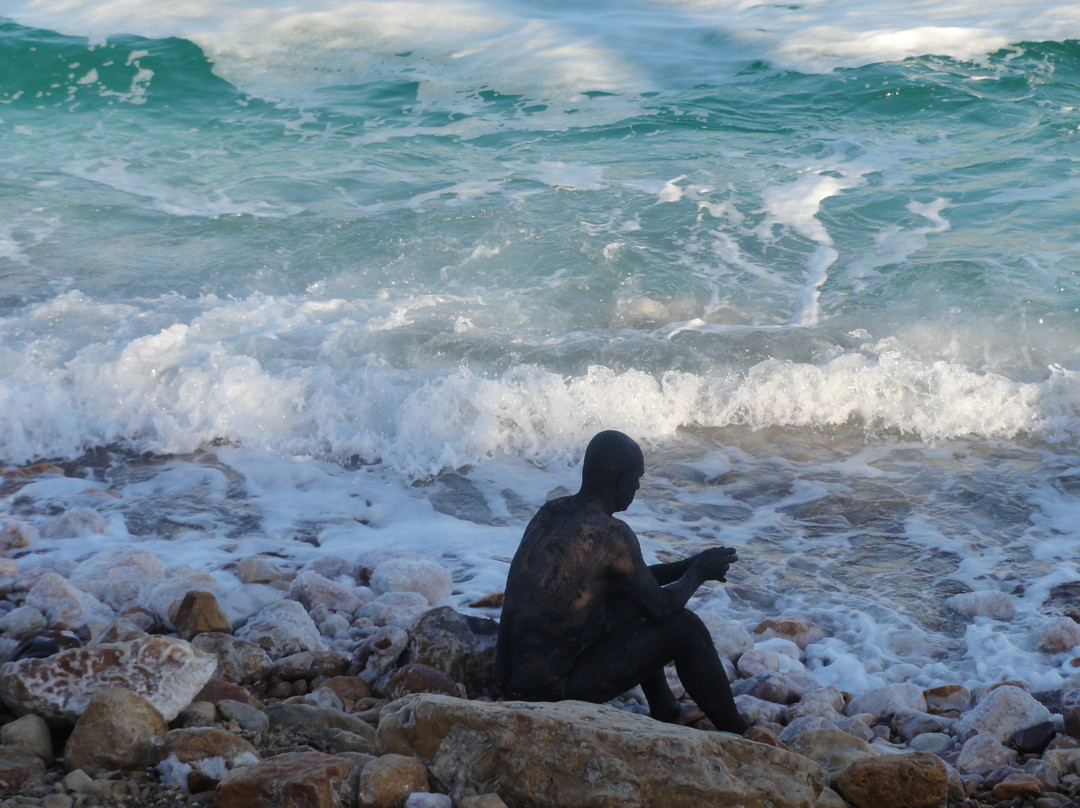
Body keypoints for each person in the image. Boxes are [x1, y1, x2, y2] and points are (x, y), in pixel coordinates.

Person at [495, 429, 747, 734]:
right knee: (686, 628)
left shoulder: (553, 510)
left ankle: (667, 708)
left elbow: (633, 582)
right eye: (637, 479)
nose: (638, 487)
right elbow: (661, 608)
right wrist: (699, 574)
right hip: (550, 694)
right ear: (622, 481)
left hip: (509, 679)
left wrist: (690, 563)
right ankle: (738, 734)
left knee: (626, 599)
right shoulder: (613, 534)